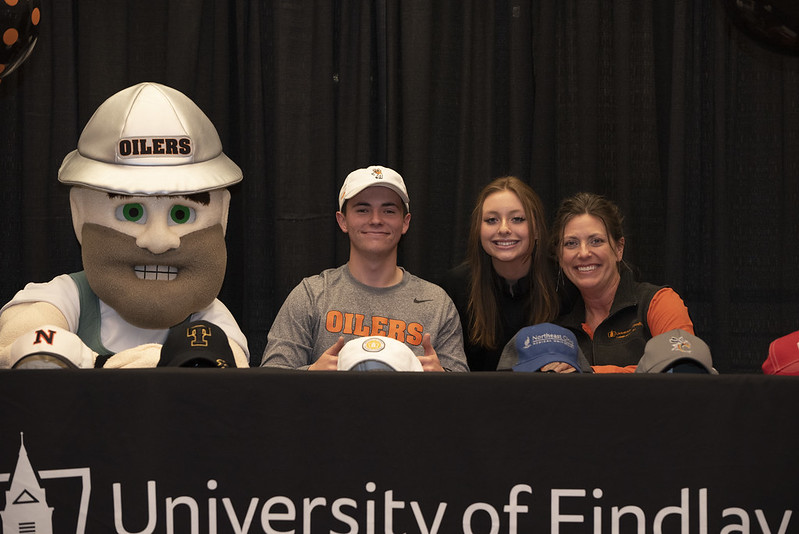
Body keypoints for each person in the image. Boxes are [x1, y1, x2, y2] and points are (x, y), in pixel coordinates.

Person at [0, 82, 249, 368]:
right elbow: (17, 344)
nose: (157, 241)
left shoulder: (210, 320)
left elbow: (232, 370)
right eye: (132, 212)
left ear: (223, 217)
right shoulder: (67, 297)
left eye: (181, 214)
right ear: (79, 212)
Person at [260, 165, 468, 372]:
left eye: (388, 211)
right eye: (363, 210)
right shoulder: (312, 295)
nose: (376, 220)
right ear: (343, 221)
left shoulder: (437, 303)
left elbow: (466, 395)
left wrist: (443, 379)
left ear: (405, 223)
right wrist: (311, 373)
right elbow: (269, 381)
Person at [550, 192, 693, 373]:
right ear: (560, 256)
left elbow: (683, 369)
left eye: (596, 241)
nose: (584, 253)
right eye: (571, 243)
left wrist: (589, 373)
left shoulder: (658, 303)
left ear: (619, 249)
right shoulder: (557, 326)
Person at [439, 176, 560, 371]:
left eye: (517, 219)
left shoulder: (563, 282)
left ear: (536, 229)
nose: (504, 229)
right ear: (478, 230)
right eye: (492, 220)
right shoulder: (455, 287)